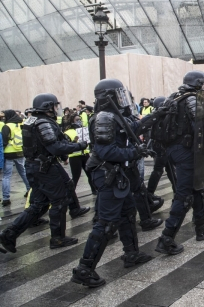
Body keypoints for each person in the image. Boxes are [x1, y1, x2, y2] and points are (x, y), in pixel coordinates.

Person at [71, 79, 156, 287]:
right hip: (109, 174)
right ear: (107, 97)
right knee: (106, 223)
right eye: (118, 95)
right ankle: (85, 269)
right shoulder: (104, 118)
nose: (122, 99)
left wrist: (158, 114)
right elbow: (105, 151)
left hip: (119, 174)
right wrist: (136, 151)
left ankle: (131, 254)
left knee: (127, 213)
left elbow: (133, 127)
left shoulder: (115, 116)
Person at [0, 93, 89, 254]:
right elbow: (54, 147)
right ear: (47, 107)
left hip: (37, 166)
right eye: (55, 106)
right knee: (59, 201)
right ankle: (57, 238)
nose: (57, 109)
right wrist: (79, 146)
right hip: (45, 167)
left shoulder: (33, 120)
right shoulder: (42, 123)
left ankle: (9, 234)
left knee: (39, 204)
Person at [154, 71, 204, 256]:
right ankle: (166, 239)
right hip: (186, 153)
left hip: (175, 151)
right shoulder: (192, 99)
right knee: (184, 196)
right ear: (198, 83)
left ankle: (202, 227)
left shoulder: (174, 97)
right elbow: (202, 126)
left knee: (198, 188)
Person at [146, 97, 177, 196]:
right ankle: (150, 193)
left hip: (161, 147)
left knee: (170, 169)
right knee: (160, 170)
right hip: (161, 147)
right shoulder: (160, 116)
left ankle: (177, 191)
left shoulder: (158, 115)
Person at [2, 109, 30, 206]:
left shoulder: (7, 126)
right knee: (23, 172)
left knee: (6, 176)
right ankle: (29, 190)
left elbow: (4, 142)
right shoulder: (20, 124)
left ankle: (6, 198)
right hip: (20, 151)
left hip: (9, 153)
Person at [64, 115, 95, 195]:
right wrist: (74, 141)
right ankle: (71, 195)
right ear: (72, 121)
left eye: (80, 119)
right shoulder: (67, 132)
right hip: (75, 157)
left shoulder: (83, 130)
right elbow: (66, 146)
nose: (79, 121)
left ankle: (94, 190)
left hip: (85, 154)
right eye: (77, 120)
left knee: (90, 174)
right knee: (76, 177)